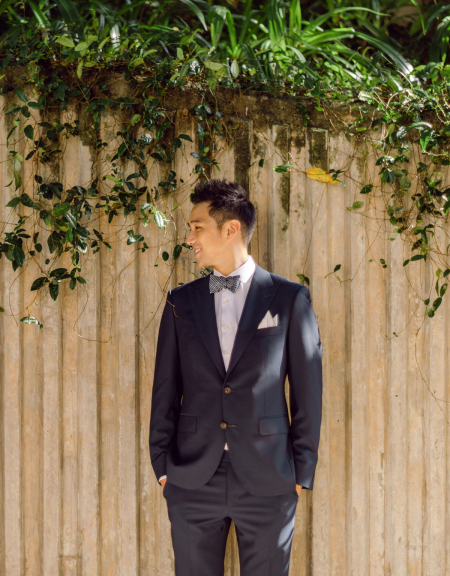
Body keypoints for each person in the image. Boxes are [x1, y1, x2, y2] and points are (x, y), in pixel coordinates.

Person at [149, 179, 323, 575]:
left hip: (270, 477)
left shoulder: (289, 299)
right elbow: (165, 389)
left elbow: (308, 391)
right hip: (192, 479)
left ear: (230, 229)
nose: (189, 238)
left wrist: (301, 471)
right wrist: (163, 467)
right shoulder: (181, 302)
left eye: (197, 227)